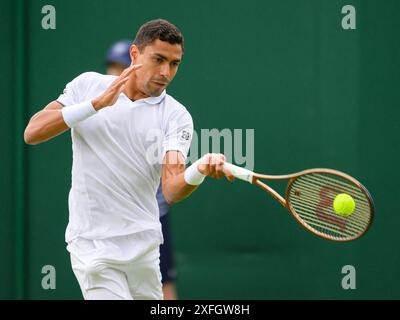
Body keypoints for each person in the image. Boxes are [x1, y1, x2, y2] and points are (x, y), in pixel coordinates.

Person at [24, 19, 233, 300]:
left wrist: (199, 169)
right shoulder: (88, 85)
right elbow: (33, 132)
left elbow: (171, 188)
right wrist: (95, 105)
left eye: (174, 64)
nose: (165, 72)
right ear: (135, 55)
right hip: (94, 246)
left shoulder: (176, 115)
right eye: (158, 59)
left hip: (145, 249)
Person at [105, 39, 178, 300]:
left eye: (120, 66)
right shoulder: (101, 101)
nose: (114, 73)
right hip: (105, 225)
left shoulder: (160, 113)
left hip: (150, 218)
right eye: (112, 67)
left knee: (162, 288)